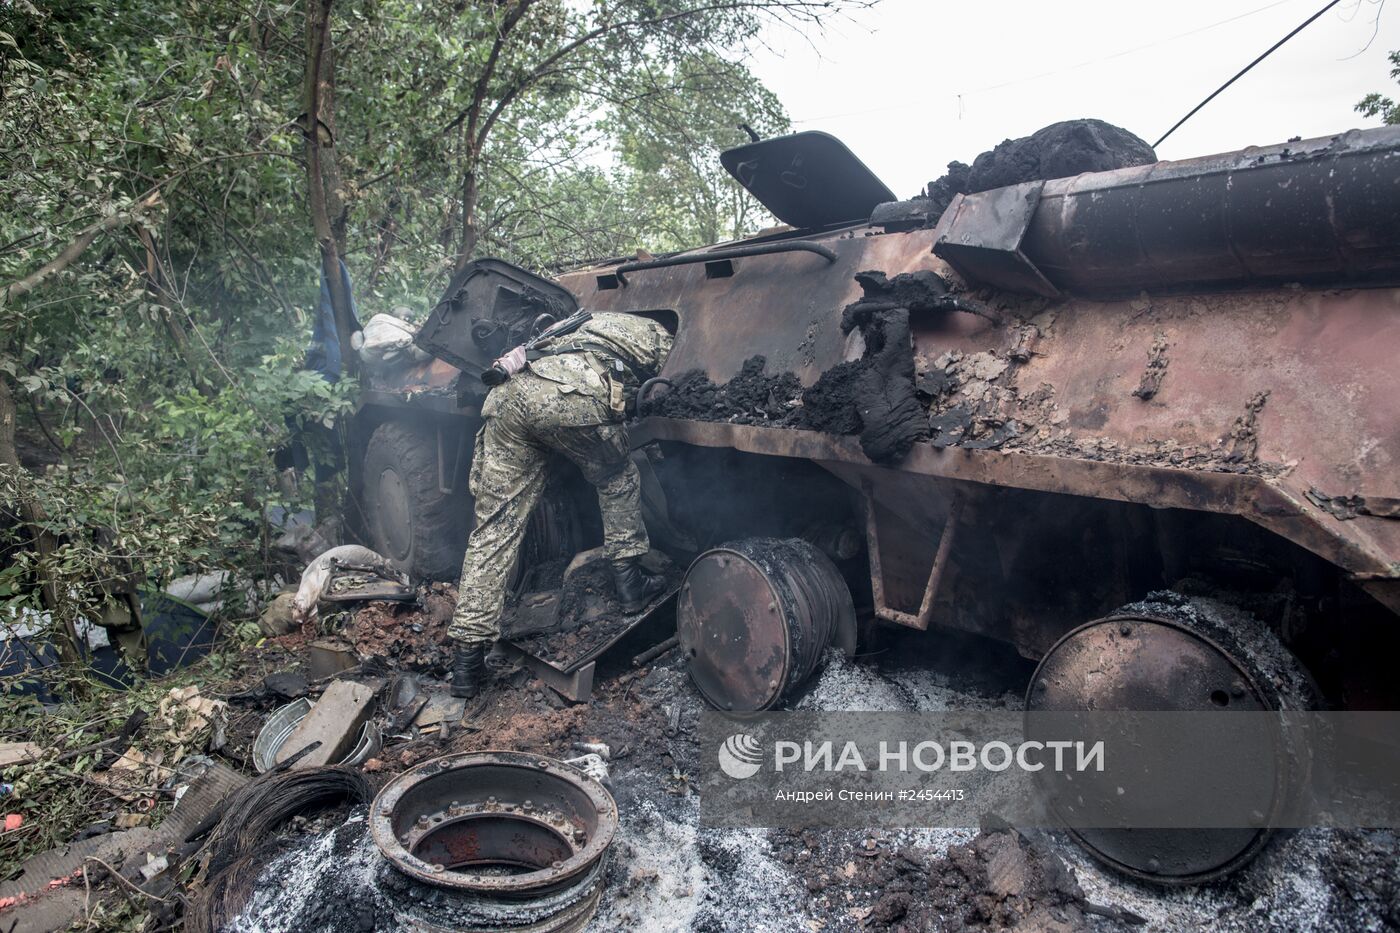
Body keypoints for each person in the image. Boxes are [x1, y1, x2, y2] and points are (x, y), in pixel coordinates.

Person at [448, 311, 673, 698]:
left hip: (508, 396)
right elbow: (673, 378)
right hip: (566, 396)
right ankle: (630, 584)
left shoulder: (578, 323)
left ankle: (466, 664)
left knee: (495, 528)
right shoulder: (655, 333)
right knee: (617, 476)